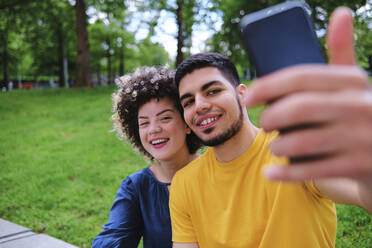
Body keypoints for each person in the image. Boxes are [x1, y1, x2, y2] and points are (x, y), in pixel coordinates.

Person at [169, 7, 372, 248]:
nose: (200, 105)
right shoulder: (185, 183)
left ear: (241, 94)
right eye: (188, 102)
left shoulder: (296, 149)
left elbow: (362, 195)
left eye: (213, 91)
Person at [92, 66, 202, 248]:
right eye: (144, 123)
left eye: (165, 118)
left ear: (187, 123)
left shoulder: (217, 170)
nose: (153, 129)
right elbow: (114, 237)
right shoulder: (136, 187)